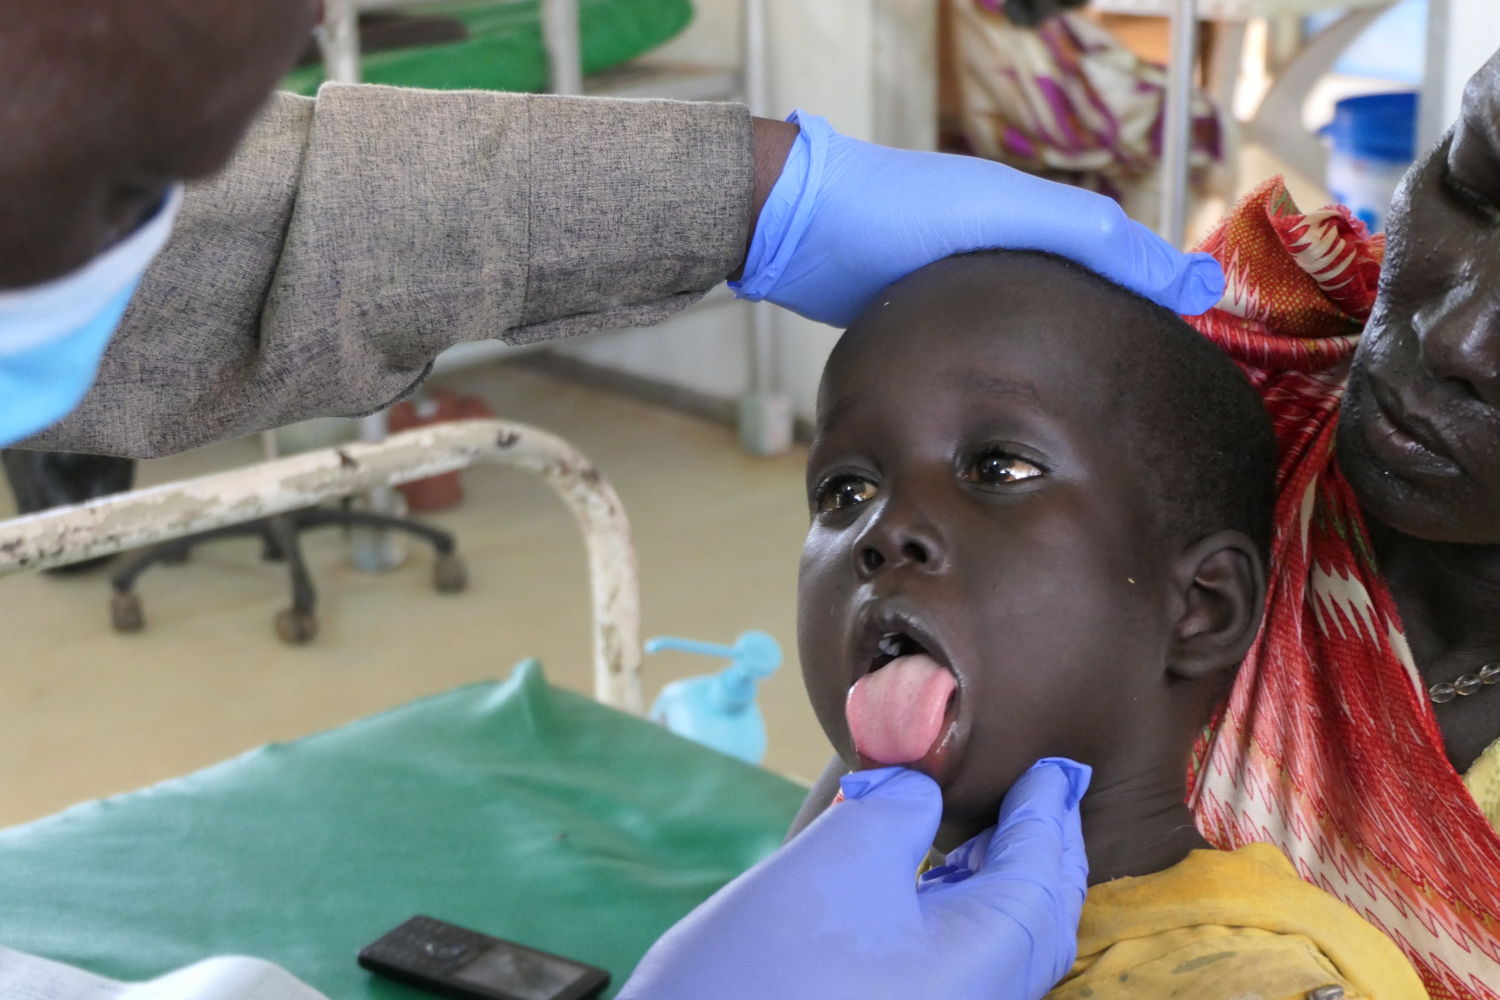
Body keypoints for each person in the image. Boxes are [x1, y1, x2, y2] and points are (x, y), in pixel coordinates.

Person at [792, 251, 1422, 996]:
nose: (883, 529)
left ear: (1201, 607)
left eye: (1000, 469)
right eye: (845, 488)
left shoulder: (1251, 982)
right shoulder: (827, 880)